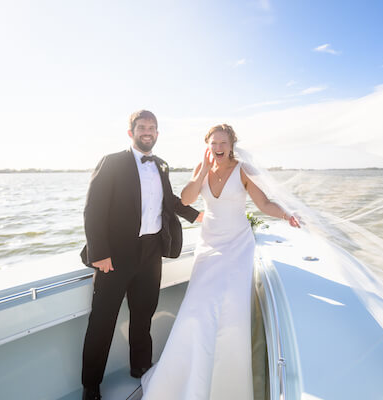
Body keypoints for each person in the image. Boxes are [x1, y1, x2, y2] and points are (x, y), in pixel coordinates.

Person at [141, 124, 299, 399]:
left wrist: (287, 215)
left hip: (238, 246)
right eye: (213, 143)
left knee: (232, 309)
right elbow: (187, 200)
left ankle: (229, 383)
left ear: (231, 144)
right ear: (208, 145)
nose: (218, 148)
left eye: (222, 143)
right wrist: (202, 169)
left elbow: (263, 204)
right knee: (198, 307)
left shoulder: (243, 170)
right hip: (209, 245)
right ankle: (188, 377)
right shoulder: (201, 168)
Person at [79, 110, 202, 400]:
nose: (147, 131)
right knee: (102, 322)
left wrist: (197, 216)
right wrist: (100, 253)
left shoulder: (161, 165)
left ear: (157, 133)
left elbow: (167, 200)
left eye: (152, 128)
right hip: (115, 256)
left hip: (151, 253)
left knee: (143, 316)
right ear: (131, 132)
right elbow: (93, 208)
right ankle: (91, 385)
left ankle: (141, 369)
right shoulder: (112, 162)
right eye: (142, 127)